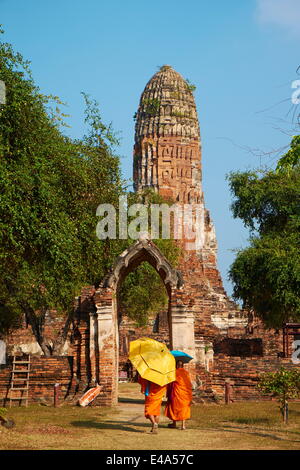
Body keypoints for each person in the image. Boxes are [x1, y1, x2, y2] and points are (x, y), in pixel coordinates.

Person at [165, 360, 192, 430]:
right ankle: (183, 425)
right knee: (184, 408)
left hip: (177, 393)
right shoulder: (186, 373)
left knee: (174, 407)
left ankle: (174, 423)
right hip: (185, 394)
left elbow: (170, 383)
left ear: (176, 366)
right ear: (182, 366)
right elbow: (189, 384)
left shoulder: (174, 373)